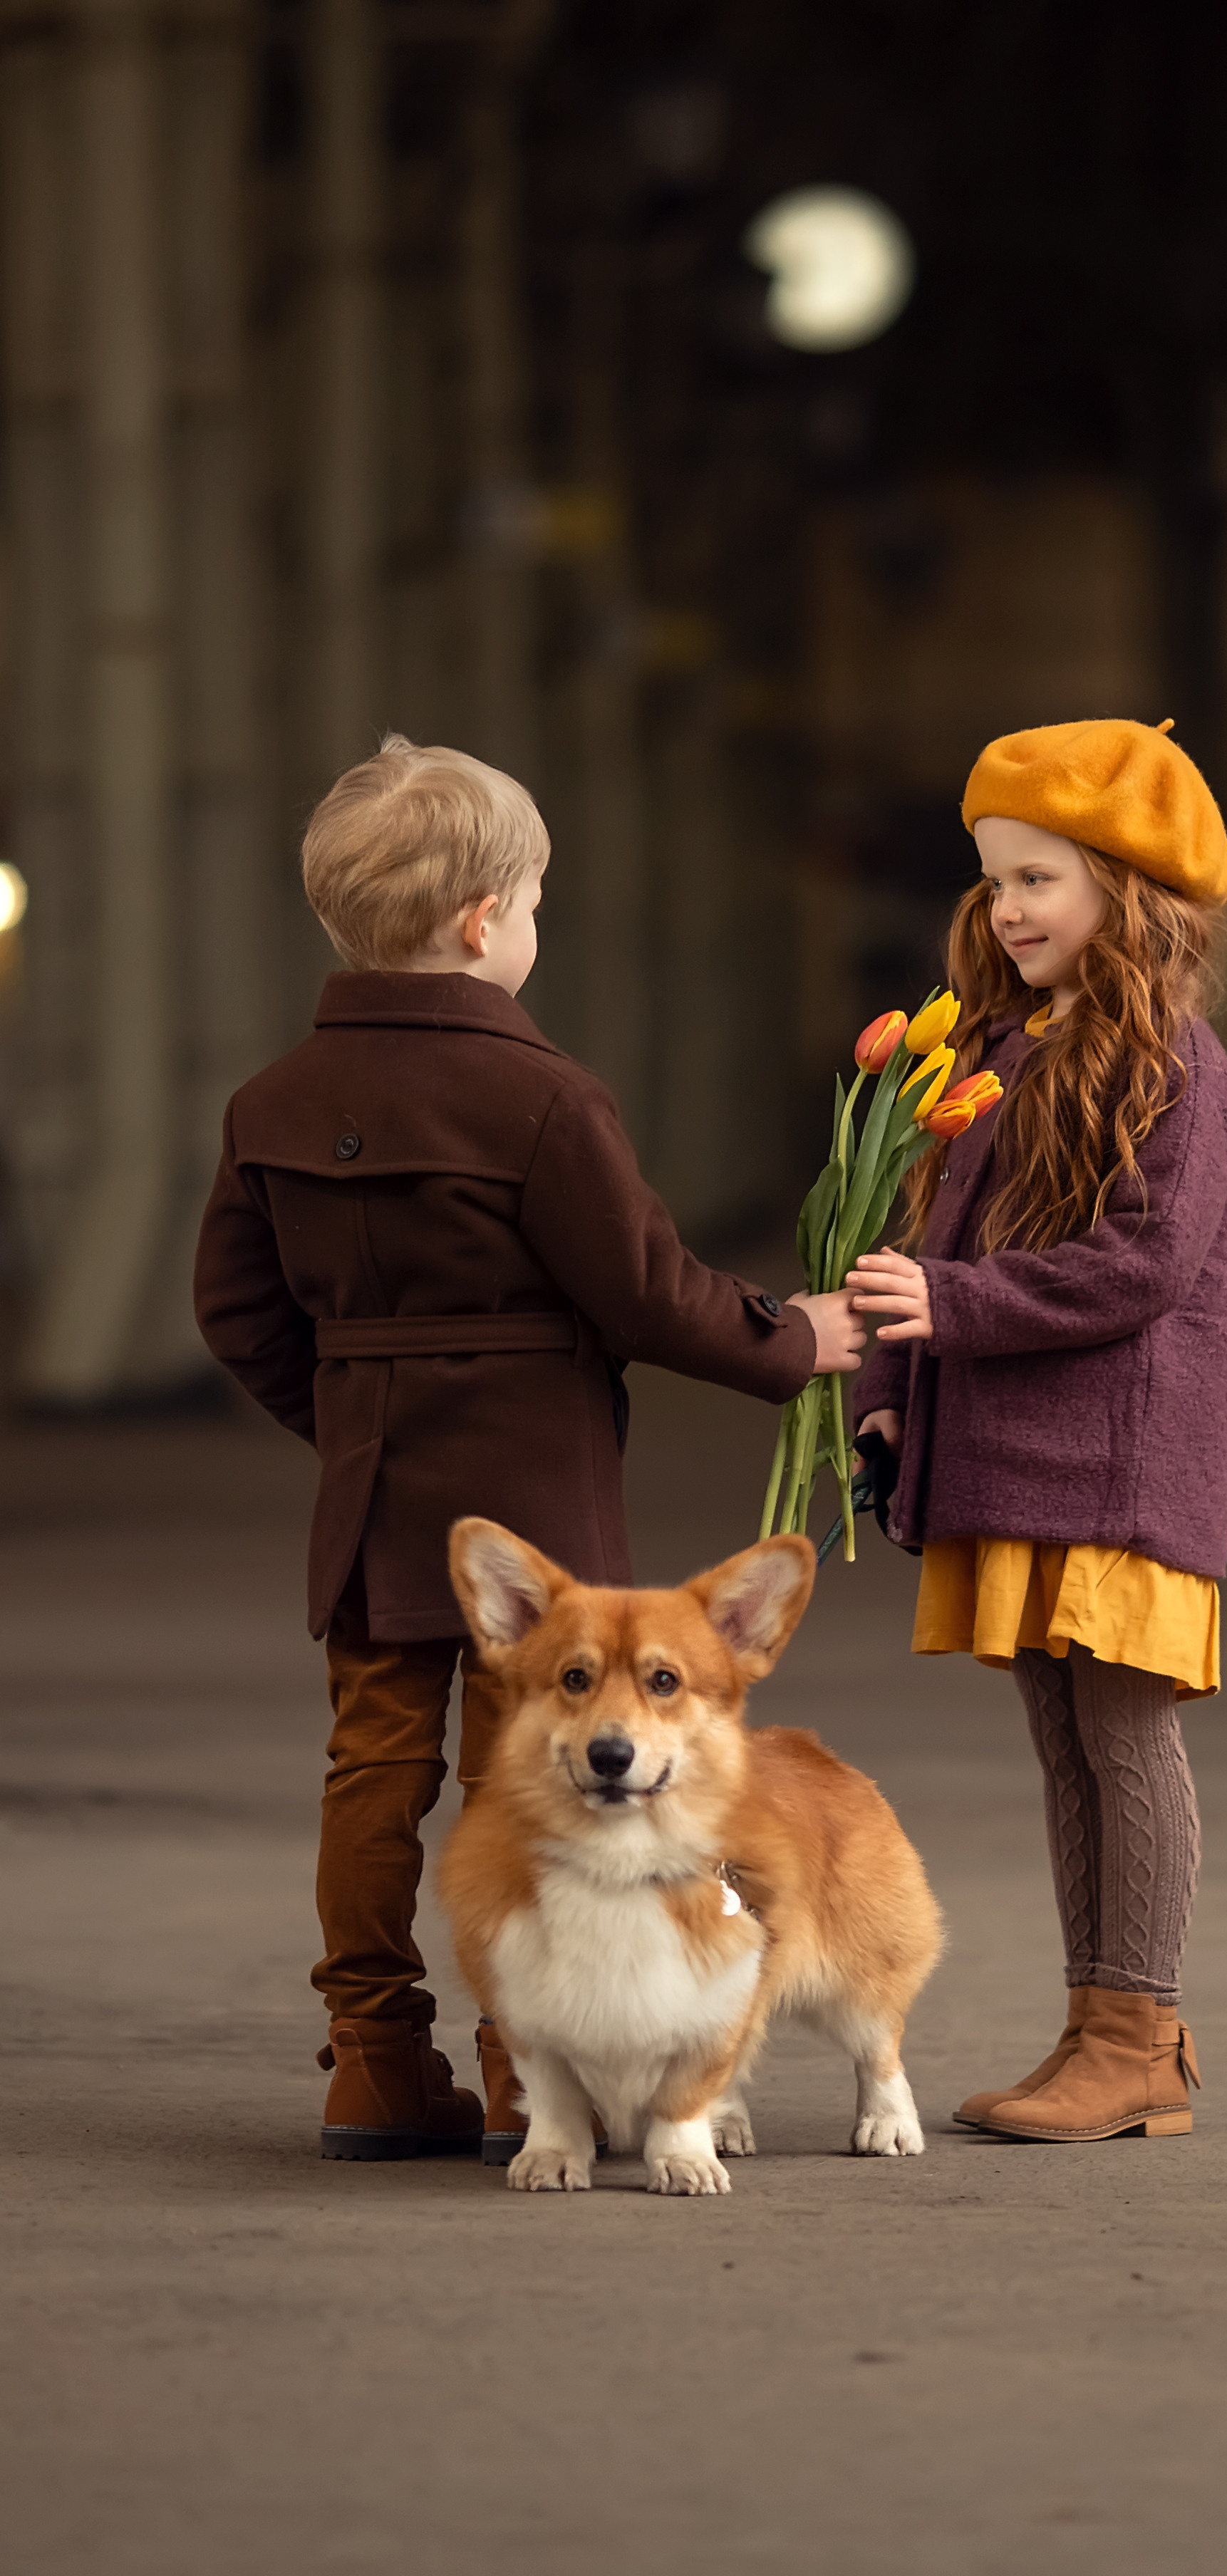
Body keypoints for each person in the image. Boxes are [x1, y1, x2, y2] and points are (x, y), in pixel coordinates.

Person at [193, 734, 862, 2161]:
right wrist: (791, 1338)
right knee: (542, 1782)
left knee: (370, 1768)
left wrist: (348, 1425)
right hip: (536, 1513)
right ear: (485, 920)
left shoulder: (271, 1102)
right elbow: (644, 1287)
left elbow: (234, 1308)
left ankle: (371, 2060)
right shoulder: (545, 1097)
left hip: (375, 1498)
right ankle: (518, 2072)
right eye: (539, 901)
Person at [847, 717, 1227, 2142]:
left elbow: (1140, 1264)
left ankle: (1137, 2032)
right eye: (994, 882)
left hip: (1124, 1465)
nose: (1008, 909)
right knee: (1065, 1743)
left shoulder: (1182, 1072)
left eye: (1039, 879)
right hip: (1017, 1458)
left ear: (1129, 895)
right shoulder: (998, 1052)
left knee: (1123, 1739)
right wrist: (887, 1398)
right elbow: (923, 1237)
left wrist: (943, 1308)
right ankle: (1098, 2030)